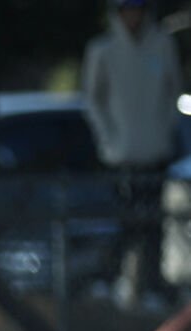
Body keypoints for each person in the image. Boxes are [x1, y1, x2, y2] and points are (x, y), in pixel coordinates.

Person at [83, 0, 184, 310]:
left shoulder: (162, 45)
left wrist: (164, 129)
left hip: (154, 151)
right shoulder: (103, 50)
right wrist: (110, 140)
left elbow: (173, 91)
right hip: (120, 155)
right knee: (123, 220)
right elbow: (93, 100)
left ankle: (152, 284)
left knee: (154, 221)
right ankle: (111, 280)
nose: (133, 16)